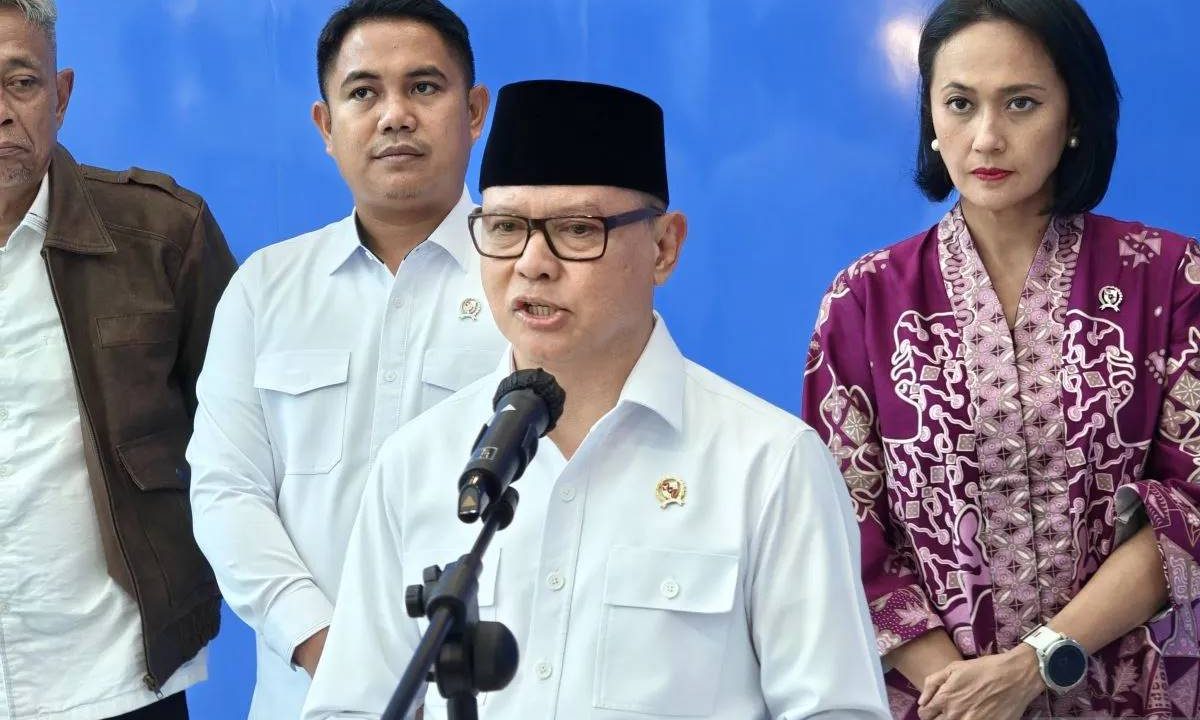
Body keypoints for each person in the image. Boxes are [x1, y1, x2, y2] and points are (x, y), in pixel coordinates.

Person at [301, 79, 890, 720]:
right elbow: (350, 708)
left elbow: (837, 710)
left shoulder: (768, 464)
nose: (532, 263)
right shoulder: (419, 459)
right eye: (505, 228)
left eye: (578, 230)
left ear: (663, 247)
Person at [802, 0, 1200, 718]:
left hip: (1131, 696)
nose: (986, 137)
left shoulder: (1170, 279)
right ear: (931, 117)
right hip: (935, 703)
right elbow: (840, 526)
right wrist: (963, 695)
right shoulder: (864, 301)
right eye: (960, 103)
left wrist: (1033, 665)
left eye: (1021, 103)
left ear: (1074, 115)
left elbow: (1190, 504)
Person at [186, 0, 504, 716]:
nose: (395, 115)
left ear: (474, 111)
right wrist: (328, 649)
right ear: (326, 126)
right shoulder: (266, 289)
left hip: (491, 693)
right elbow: (226, 490)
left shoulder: (530, 281)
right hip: (307, 696)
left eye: (424, 87)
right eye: (363, 92)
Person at [0, 1, 236, 717]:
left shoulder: (162, 235)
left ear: (61, 94)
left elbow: (247, 439)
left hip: (116, 673)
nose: (1, 113)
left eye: (21, 83)